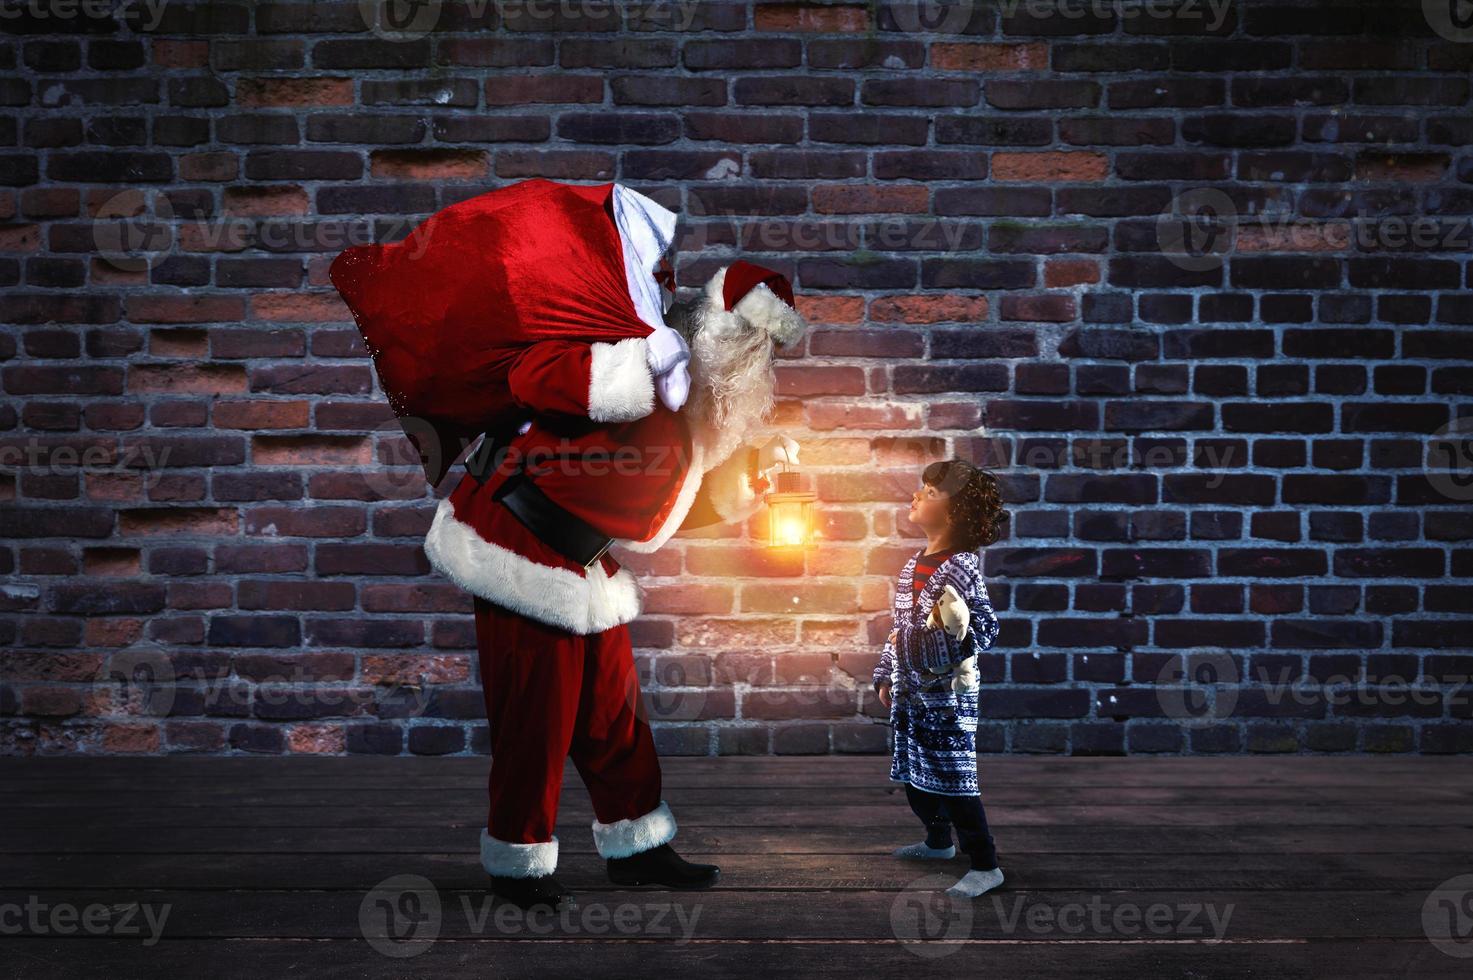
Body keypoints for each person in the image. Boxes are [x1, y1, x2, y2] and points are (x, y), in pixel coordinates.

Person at [872, 458, 1008, 899]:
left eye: (930, 494)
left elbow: (984, 627)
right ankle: (937, 843)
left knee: (954, 780)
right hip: (911, 697)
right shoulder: (914, 565)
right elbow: (897, 627)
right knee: (915, 776)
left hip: (947, 698)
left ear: (954, 513)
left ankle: (985, 864)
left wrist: (926, 642)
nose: (916, 496)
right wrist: (885, 673)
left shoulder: (962, 568)